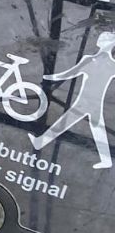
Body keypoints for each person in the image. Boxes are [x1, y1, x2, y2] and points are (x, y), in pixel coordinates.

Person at [32, 30, 115, 169]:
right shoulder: (109, 64)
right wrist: (49, 78)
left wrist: (48, 78)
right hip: (90, 102)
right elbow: (70, 73)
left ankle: (40, 142)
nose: (99, 40)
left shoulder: (91, 60)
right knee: (95, 128)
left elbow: (69, 74)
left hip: (87, 102)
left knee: (69, 123)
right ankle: (40, 142)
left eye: (102, 39)